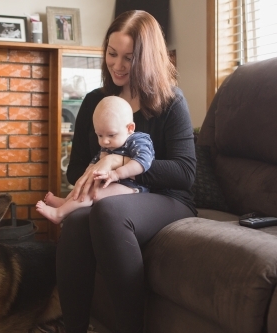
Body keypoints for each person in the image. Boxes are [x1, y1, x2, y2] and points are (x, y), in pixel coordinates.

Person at [56, 10, 197, 333]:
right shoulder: (96, 102)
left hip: (168, 199)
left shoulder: (170, 101)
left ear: (147, 59)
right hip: (114, 195)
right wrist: (97, 168)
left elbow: (184, 173)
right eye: (112, 54)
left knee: (108, 211)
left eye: (129, 58)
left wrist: (120, 165)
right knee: (76, 221)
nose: (117, 65)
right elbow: (75, 168)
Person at [36, 96, 154, 224]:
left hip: (132, 188)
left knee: (92, 192)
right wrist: (89, 171)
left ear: (130, 128)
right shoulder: (109, 143)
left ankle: (59, 214)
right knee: (85, 184)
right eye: (99, 135)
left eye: (111, 135)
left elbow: (142, 163)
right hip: (113, 183)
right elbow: (97, 160)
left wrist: (117, 174)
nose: (104, 141)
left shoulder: (139, 140)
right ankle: (66, 202)